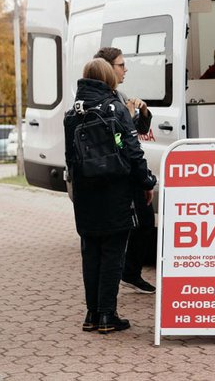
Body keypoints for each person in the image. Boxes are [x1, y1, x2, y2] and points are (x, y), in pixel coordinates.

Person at [64, 58, 157, 334]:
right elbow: (131, 150)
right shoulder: (115, 108)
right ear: (108, 78)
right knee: (113, 253)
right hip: (115, 191)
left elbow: (71, 158)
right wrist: (146, 181)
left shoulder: (73, 113)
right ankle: (108, 315)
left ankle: (91, 314)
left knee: (90, 253)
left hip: (85, 194)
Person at [93, 47, 156, 294]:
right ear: (109, 68)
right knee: (125, 230)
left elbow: (136, 131)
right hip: (118, 174)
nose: (125, 69)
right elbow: (119, 138)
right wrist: (128, 118)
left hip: (130, 172)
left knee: (145, 223)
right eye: (121, 65)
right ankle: (118, 282)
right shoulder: (103, 100)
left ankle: (130, 273)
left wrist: (142, 111)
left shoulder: (120, 95)